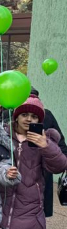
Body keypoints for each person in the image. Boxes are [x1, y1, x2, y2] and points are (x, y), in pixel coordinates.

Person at [0, 95, 67, 229]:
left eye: (34, 117)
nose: (29, 119)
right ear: (16, 117)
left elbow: (59, 166)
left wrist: (46, 145)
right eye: (25, 115)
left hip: (32, 200)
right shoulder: (3, 136)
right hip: (8, 199)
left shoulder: (45, 140)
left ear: (39, 121)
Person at [29, 88, 67, 218]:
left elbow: (59, 140)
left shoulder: (46, 115)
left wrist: (63, 156)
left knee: (40, 199)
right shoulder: (13, 115)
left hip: (43, 164)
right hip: (20, 164)